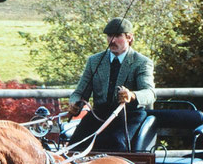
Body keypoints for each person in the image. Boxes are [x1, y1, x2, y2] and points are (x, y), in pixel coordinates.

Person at [67, 18, 156, 152]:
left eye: (118, 36)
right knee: (75, 145)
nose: (112, 41)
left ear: (129, 37)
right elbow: (79, 93)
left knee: (116, 143)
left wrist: (132, 95)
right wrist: (74, 103)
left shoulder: (142, 62)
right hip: (99, 115)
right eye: (109, 36)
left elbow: (150, 93)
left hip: (128, 117)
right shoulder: (94, 61)